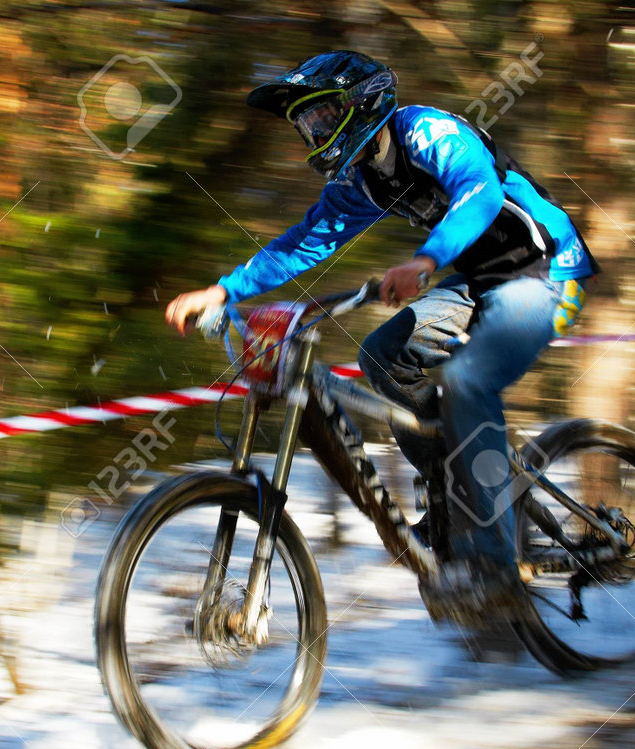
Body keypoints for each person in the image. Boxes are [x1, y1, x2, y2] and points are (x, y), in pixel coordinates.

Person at [165, 50, 597, 626]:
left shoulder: (426, 132)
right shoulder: (363, 182)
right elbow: (304, 243)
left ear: (360, 103)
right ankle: (452, 498)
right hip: (478, 282)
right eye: (306, 126)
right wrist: (223, 291)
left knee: (467, 382)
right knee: (382, 356)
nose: (314, 134)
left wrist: (424, 260)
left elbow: (481, 192)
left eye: (320, 118)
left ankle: (492, 564)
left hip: (547, 273)